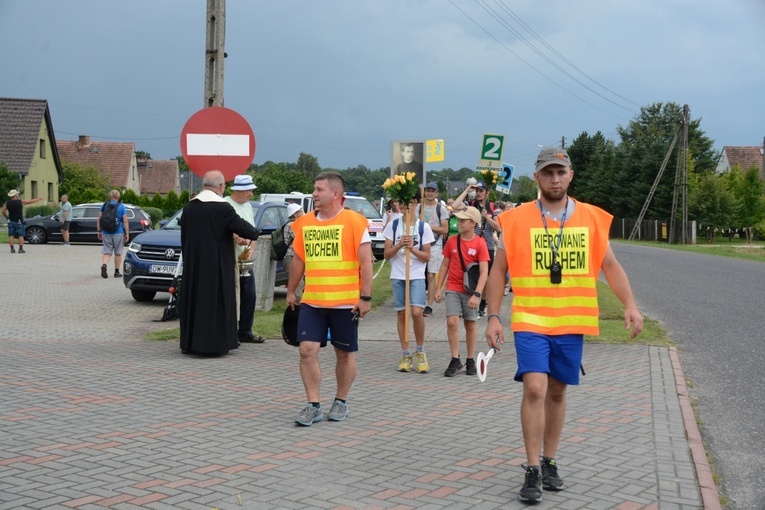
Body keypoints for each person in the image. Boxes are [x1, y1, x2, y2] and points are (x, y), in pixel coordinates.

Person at [484, 147, 644, 502]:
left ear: (570, 175)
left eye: (560, 172)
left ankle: (550, 459)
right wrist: (494, 315)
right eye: (547, 172)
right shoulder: (516, 219)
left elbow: (611, 266)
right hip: (530, 318)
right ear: (537, 178)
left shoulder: (592, 218)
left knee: (557, 392)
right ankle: (531, 469)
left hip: (572, 320)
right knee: (535, 389)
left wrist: (630, 305)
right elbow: (498, 270)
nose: (554, 178)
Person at [286, 171, 373, 426]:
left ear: (335, 193)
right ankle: (313, 405)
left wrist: (365, 297)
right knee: (306, 350)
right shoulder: (304, 224)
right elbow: (299, 260)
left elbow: (366, 262)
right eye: (314, 189)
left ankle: (341, 401)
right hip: (313, 301)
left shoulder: (355, 222)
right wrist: (291, 291)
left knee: (344, 354)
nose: (314, 194)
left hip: (346, 303)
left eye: (319, 189)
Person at [179, 170, 261, 356]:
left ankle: (190, 343)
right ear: (221, 187)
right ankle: (214, 344)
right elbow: (243, 228)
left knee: (195, 300)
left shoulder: (189, 208)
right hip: (217, 266)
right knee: (216, 302)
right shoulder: (222, 208)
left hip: (194, 265)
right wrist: (257, 232)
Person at [434, 206, 490, 377]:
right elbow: (445, 265)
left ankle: (470, 359)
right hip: (453, 287)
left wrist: (477, 294)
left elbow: (484, 272)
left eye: (463, 220)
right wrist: (439, 287)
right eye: (458, 220)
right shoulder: (452, 241)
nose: (458, 223)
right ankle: (455, 358)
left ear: (473, 223)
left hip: (471, 290)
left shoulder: (480, 243)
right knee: (452, 322)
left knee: (470, 324)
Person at [382, 194, 434, 373]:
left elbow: (427, 256)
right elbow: (387, 254)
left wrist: (412, 248)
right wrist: (399, 245)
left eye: (408, 202)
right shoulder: (393, 225)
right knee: (401, 314)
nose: (403, 205)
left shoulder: (423, 227)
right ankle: (406, 353)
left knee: (417, 312)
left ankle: (421, 351)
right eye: (401, 202)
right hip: (398, 275)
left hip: (417, 275)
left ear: (414, 203)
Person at [224, 174, 264, 344]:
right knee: (233, 295)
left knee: (249, 295)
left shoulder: (247, 206)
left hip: (245, 258)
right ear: (239, 190)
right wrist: (234, 236)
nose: (251, 194)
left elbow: (251, 229)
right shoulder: (225, 204)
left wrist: (252, 248)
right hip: (230, 258)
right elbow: (222, 227)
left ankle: (246, 330)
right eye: (249, 190)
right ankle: (231, 330)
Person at [454, 181, 500, 316]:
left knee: (485, 277)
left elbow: (498, 227)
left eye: (481, 191)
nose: (479, 193)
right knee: (469, 273)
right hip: (471, 244)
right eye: (477, 191)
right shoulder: (471, 205)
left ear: (487, 193)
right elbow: (455, 206)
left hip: (487, 246)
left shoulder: (493, 207)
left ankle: (483, 302)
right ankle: (468, 301)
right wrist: (467, 190)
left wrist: (487, 217)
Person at [416, 182, 449, 318]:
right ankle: (418, 302)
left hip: (435, 244)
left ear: (437, 193)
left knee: (431, 275)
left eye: (433, 191)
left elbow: (444, 230)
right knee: (418, 274)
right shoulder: (418, 207)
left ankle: (429, 305)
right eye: (428, 190)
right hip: (419, 244)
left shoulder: (441, 209)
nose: (430, 193)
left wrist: (427, 226)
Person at [97, 190, 129, 278]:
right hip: (118, 232)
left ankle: (104, 265)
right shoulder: (121, 207)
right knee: (118, 253)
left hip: (106, 232)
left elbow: (99, 219)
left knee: (107, 252)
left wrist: (99, 231)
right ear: (118, 197)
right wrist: (127, 234)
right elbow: (125, 221)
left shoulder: (104, 206)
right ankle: (117, 272)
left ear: (110, 196)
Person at [282, 202, 305, 301]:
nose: (303, 213)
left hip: (293, 257)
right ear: (295, 214)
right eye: (300, 211)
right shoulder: (292, 225)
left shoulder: (294, 224)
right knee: (297, 284)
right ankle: (296, 308)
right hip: (291, 257)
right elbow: (301, 239)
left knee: (299, 284)